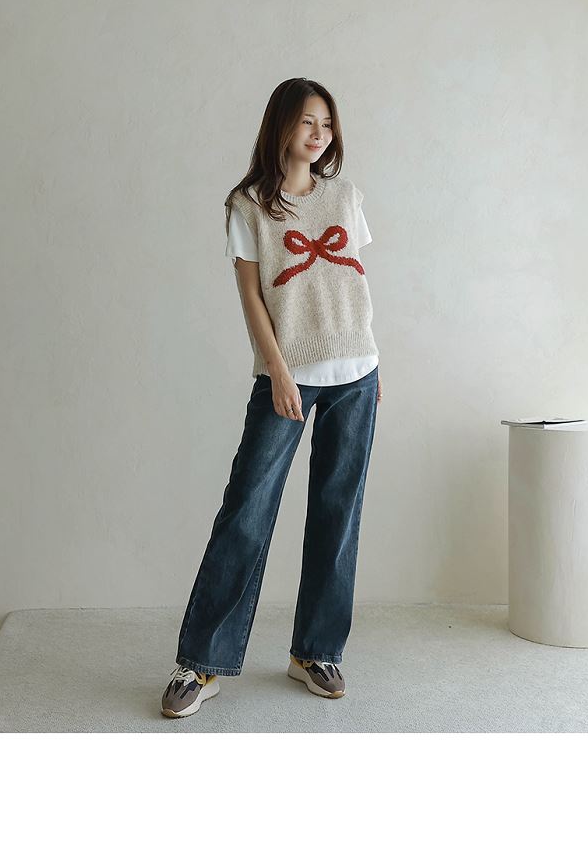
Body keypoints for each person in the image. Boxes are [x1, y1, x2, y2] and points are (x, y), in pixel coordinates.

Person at [161, 77, 383, 718]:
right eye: (308, 122)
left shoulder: (345, 196)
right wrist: (279, 373)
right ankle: (201, 662)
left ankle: (315, 651)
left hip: (357, 372)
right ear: (282, 125)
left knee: (338, 513)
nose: (319, 134)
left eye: (327, 124)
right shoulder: (249, 206)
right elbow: (253, 299)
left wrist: (366, 361)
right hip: (287, 374)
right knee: (247, 511)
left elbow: (348, 289)